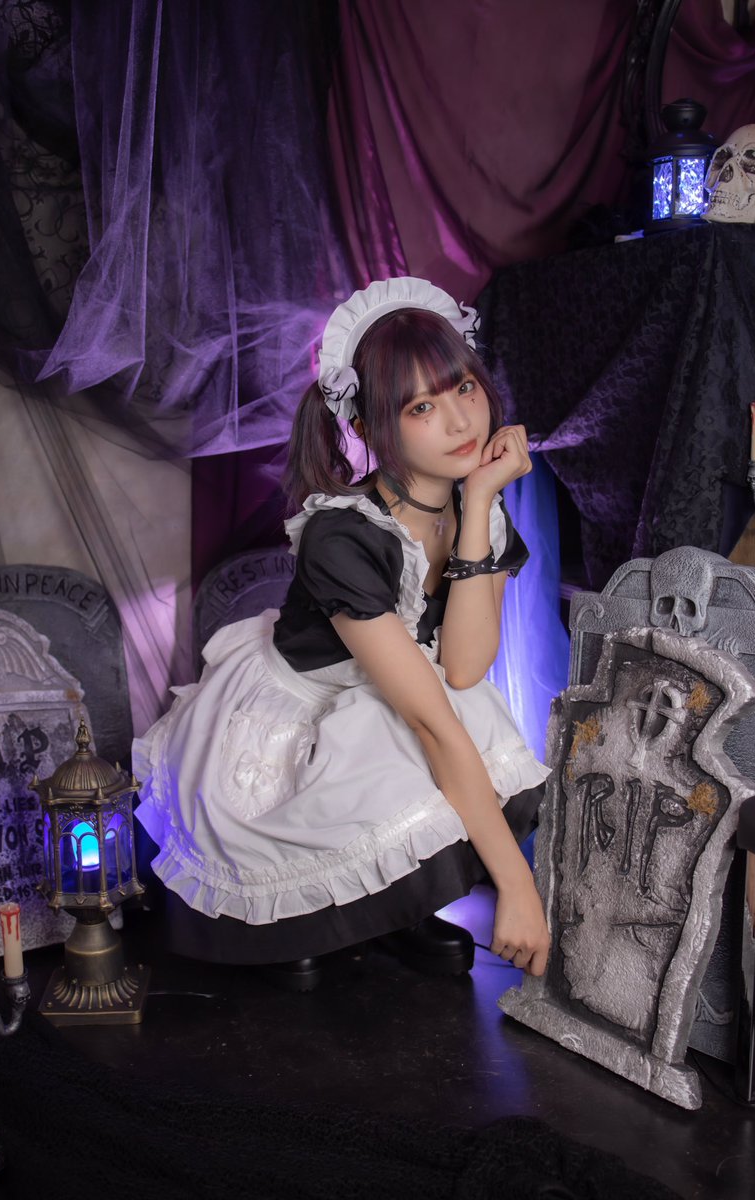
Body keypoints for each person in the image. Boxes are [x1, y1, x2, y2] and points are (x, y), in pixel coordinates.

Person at [133, 276, 551, 990]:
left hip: (385, 704)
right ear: (369, 426)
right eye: (421, 406)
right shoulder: (341, 535)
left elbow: (463, 668)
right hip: (297, 719)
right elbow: (430, 720)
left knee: (461, 710)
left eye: (464, 388)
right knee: (419, 727)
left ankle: (400, 911)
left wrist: (481, 500)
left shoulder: (478, 508)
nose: (460, 422)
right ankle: (321, 921)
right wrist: (518, 886)